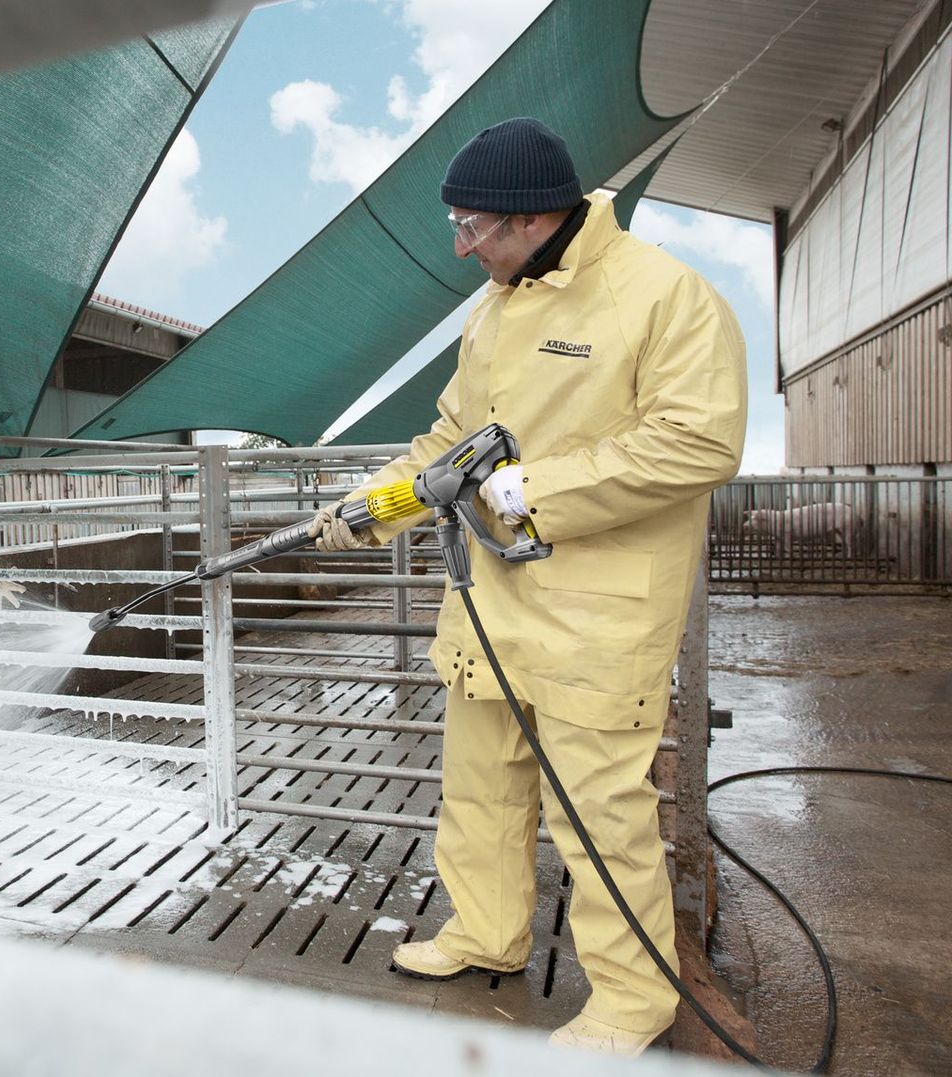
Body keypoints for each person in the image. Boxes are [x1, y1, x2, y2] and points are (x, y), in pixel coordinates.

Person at [309, 117, 746, 1056]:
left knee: (599, 817)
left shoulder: (663, 295)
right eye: (458, 227)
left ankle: (632, 998)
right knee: (481, 790)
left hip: (598, 613)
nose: (462, 248)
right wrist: (371, 507)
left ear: (533, 218)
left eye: (472, 227)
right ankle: (486, 931)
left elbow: (698, 441)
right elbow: (448, 445)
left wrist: (531, 491)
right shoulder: (494, 311)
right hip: (492, 603)